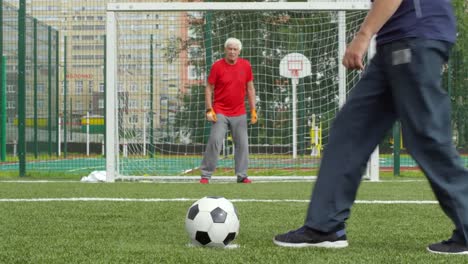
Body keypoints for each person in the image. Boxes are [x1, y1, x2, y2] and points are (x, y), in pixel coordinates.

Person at [274, 0, 468, 254]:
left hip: (414, 37)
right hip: (394, 43)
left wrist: (363, 35)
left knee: (427, 135)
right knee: (350, 132)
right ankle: (324, 226)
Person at [199, 37, 257, 184]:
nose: (232, 52)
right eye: (229, 49)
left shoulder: (246, 66)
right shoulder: (217, 66)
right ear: (225, 50)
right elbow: (208, 88)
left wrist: (253, 110)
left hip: (240, 112)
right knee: (215, 141)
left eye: (235, 49)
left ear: (239, 51)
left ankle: (242, 175)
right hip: (220, 111)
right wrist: (208, 109)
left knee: (242, 144)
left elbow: (250, 89)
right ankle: (206, 175)